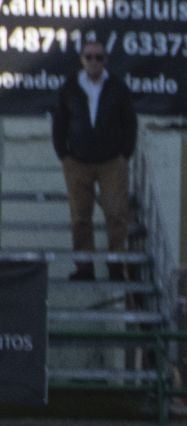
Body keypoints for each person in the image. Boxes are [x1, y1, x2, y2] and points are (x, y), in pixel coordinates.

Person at [51, 39, 136, 283]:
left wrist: (125, 154)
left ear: (106, 60)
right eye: (89, 57)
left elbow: (130, 122)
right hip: (77, 161)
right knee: (80, 217)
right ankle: (84, 267)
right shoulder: (70, 87)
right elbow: (60, 122)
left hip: (111, 162)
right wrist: (63, 154)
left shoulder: (117, 87)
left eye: (98, 57)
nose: (94, 62)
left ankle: (116, 265)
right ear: (82, 60)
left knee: (116, 214)